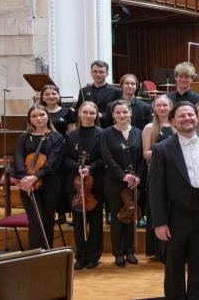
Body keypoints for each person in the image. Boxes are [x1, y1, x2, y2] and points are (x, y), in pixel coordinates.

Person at [150, 102, 199, 299]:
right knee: (174, 266)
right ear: (172, 121)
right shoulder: (162, 149)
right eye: (182, 116)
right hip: (175, 216)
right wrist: (160, 222)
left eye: (190, 115)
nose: (187, 119)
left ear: (197, 118)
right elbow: (156, 189)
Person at [12, 104, 65, 250]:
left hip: (50, 184)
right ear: (30, 119)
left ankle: (47, 254)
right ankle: (35, 256)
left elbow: (54, 161)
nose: (38, 118)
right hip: (27, 184)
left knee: (48, 220)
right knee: (35, 221)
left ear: (48, 116)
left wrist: (36, 177)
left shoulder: (57, 137)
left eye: (41, 115)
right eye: (34, 116)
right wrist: (25, 179)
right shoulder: (23, 137)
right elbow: (17, 158)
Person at [100, 99, 144, 267]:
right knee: (118, 216)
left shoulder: (138, 132)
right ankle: (118, 253)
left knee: (131, 215)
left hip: (135, 182)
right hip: (114, 182)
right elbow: (107, 158)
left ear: (130, 113)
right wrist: (122, 176)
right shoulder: (106, 133)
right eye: (118, 112)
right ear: (113, 115)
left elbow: (141, 159)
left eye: (125, 112)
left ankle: (130, 251)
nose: (122, 115)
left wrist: (138, 176)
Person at [64, 101, 104, 269]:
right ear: (79, 114)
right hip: (77, 184)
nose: (88, 116)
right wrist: (78, 167)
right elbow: (65, 158)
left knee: (96, 221)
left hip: (95, 182)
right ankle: (80, 255)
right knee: (79, 222)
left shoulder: (102, 134)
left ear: (96, 115)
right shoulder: (71, 135)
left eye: (92, 113)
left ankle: (94, 255)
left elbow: (104, 158)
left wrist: (91, 168)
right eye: (85, 112)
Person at [142, 95, 174, 260]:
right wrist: (167, 153)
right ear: (154, 108)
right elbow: (146, 153)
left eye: (165, 105)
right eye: (159, 105)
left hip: (175, 175)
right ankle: (159, 250)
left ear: (171, 106)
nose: (162, 108)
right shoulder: (149, 128)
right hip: (157, 173)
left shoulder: (177, 125)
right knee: (158, 209)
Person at [39, 84, 75, 223]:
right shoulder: (40, 112)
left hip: (62, 152)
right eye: (47, 94)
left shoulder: (67, 112)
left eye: (53, 93)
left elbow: (71, 133)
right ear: (42, 97)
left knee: (61, 182)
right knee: (47, 182)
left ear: (58, 95)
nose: (51, 96)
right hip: (44, 152)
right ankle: (49, 212)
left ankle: (62, 212)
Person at [76, 60, 123, 128]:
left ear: (107, 74)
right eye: (95, 71)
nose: (98, 74)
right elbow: (78, 109)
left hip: (107, 128)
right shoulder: (83, 91)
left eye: (101, 72)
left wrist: (102, 115)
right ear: (91, 73)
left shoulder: (117, 91)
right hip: (87, 127)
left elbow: (119, 111)